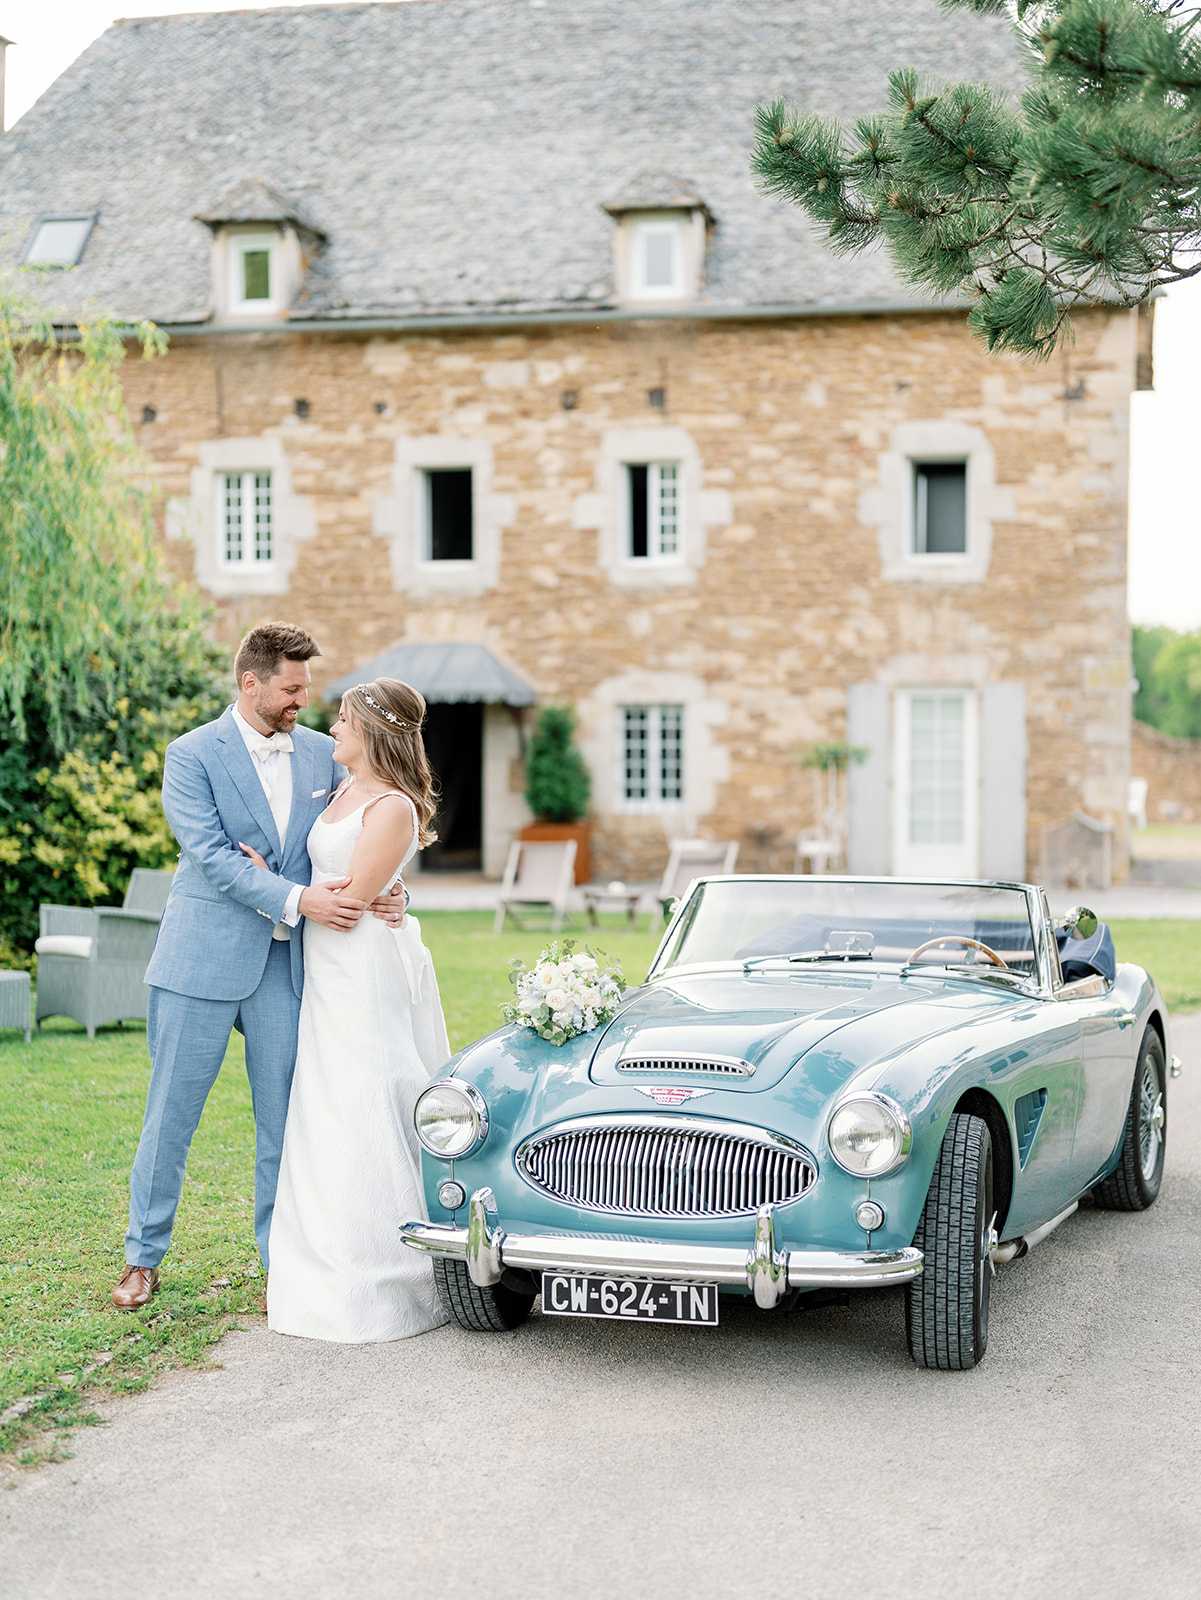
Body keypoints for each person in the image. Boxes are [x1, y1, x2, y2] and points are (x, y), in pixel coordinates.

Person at [112, 624, 406, 1311]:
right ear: (252, 682)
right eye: (292, 687)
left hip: (285, 967)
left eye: (306, 686)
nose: (304, 699)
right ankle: (141, 1257)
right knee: (170, 1117)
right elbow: (211, 856)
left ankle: (283, 1261)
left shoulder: (320, 755)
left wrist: (391, 889)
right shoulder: (190, 755)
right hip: (199, 962)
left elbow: (367, 828)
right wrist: (295, 897)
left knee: (285, 1119)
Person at [253, 677, 451, 1342]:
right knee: (324, 1111)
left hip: (359, 973)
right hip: (327, 976)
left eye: (342, 720)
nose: (331, 728)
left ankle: (384, 1276)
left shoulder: (391, 805)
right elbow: (342, 889)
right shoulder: (340, 791)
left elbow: (347, 904)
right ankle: (315, 1270)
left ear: (370, 731)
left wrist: (283, 890)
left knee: (361, 1103)